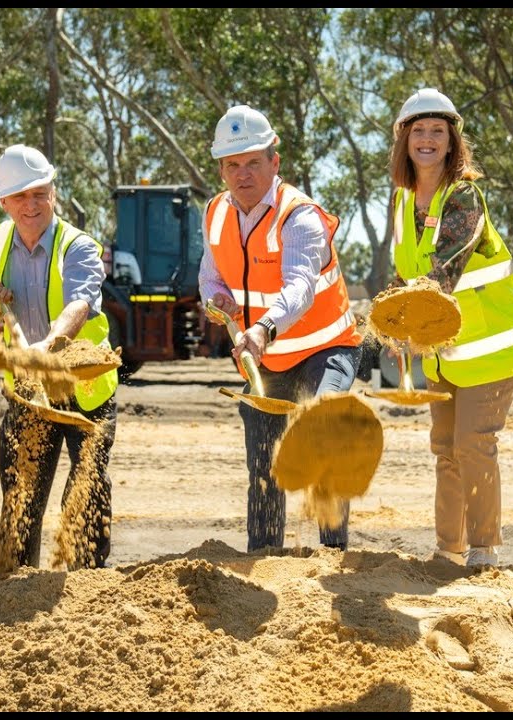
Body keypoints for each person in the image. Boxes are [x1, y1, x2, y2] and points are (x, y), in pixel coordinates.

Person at [201, 105, 363, 552]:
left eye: (254, 161)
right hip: (268, 358)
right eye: (233, 164)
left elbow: (300, 287)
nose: (243, 173)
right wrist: (216, 300)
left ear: (275, 161)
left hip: (326, 348)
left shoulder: (300, 215)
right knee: (263, 460)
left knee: (325, 430)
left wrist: (263, 328)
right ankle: (265, 555)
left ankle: (333, 556)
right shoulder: (215, 214)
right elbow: (209, 276)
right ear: (221, 169)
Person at [388, 88, 513, 568]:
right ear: (404, 140)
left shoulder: (464, 194)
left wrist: (405, 321)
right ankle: (448, 550)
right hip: (444, 352)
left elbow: (443, 273)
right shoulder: (401, 201)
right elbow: (404, 273)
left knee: (473, 445)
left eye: (437, 131)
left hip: (489, 350)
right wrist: (390, 323)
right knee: (446, 450)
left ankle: (485, 550)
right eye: (418, 131)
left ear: (452, 142)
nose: (427, 140)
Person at [0, 144, 118, 572]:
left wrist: (46, 346)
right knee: (21, 490)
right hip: (28, 394)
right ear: (4, 202)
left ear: (53, 192)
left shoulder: (78, 245)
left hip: (83, 386)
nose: (32, 204)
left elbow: (80, 304)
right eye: (20, 196)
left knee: (85, 491)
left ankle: (86, 590)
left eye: (40, 193)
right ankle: (16, 585)